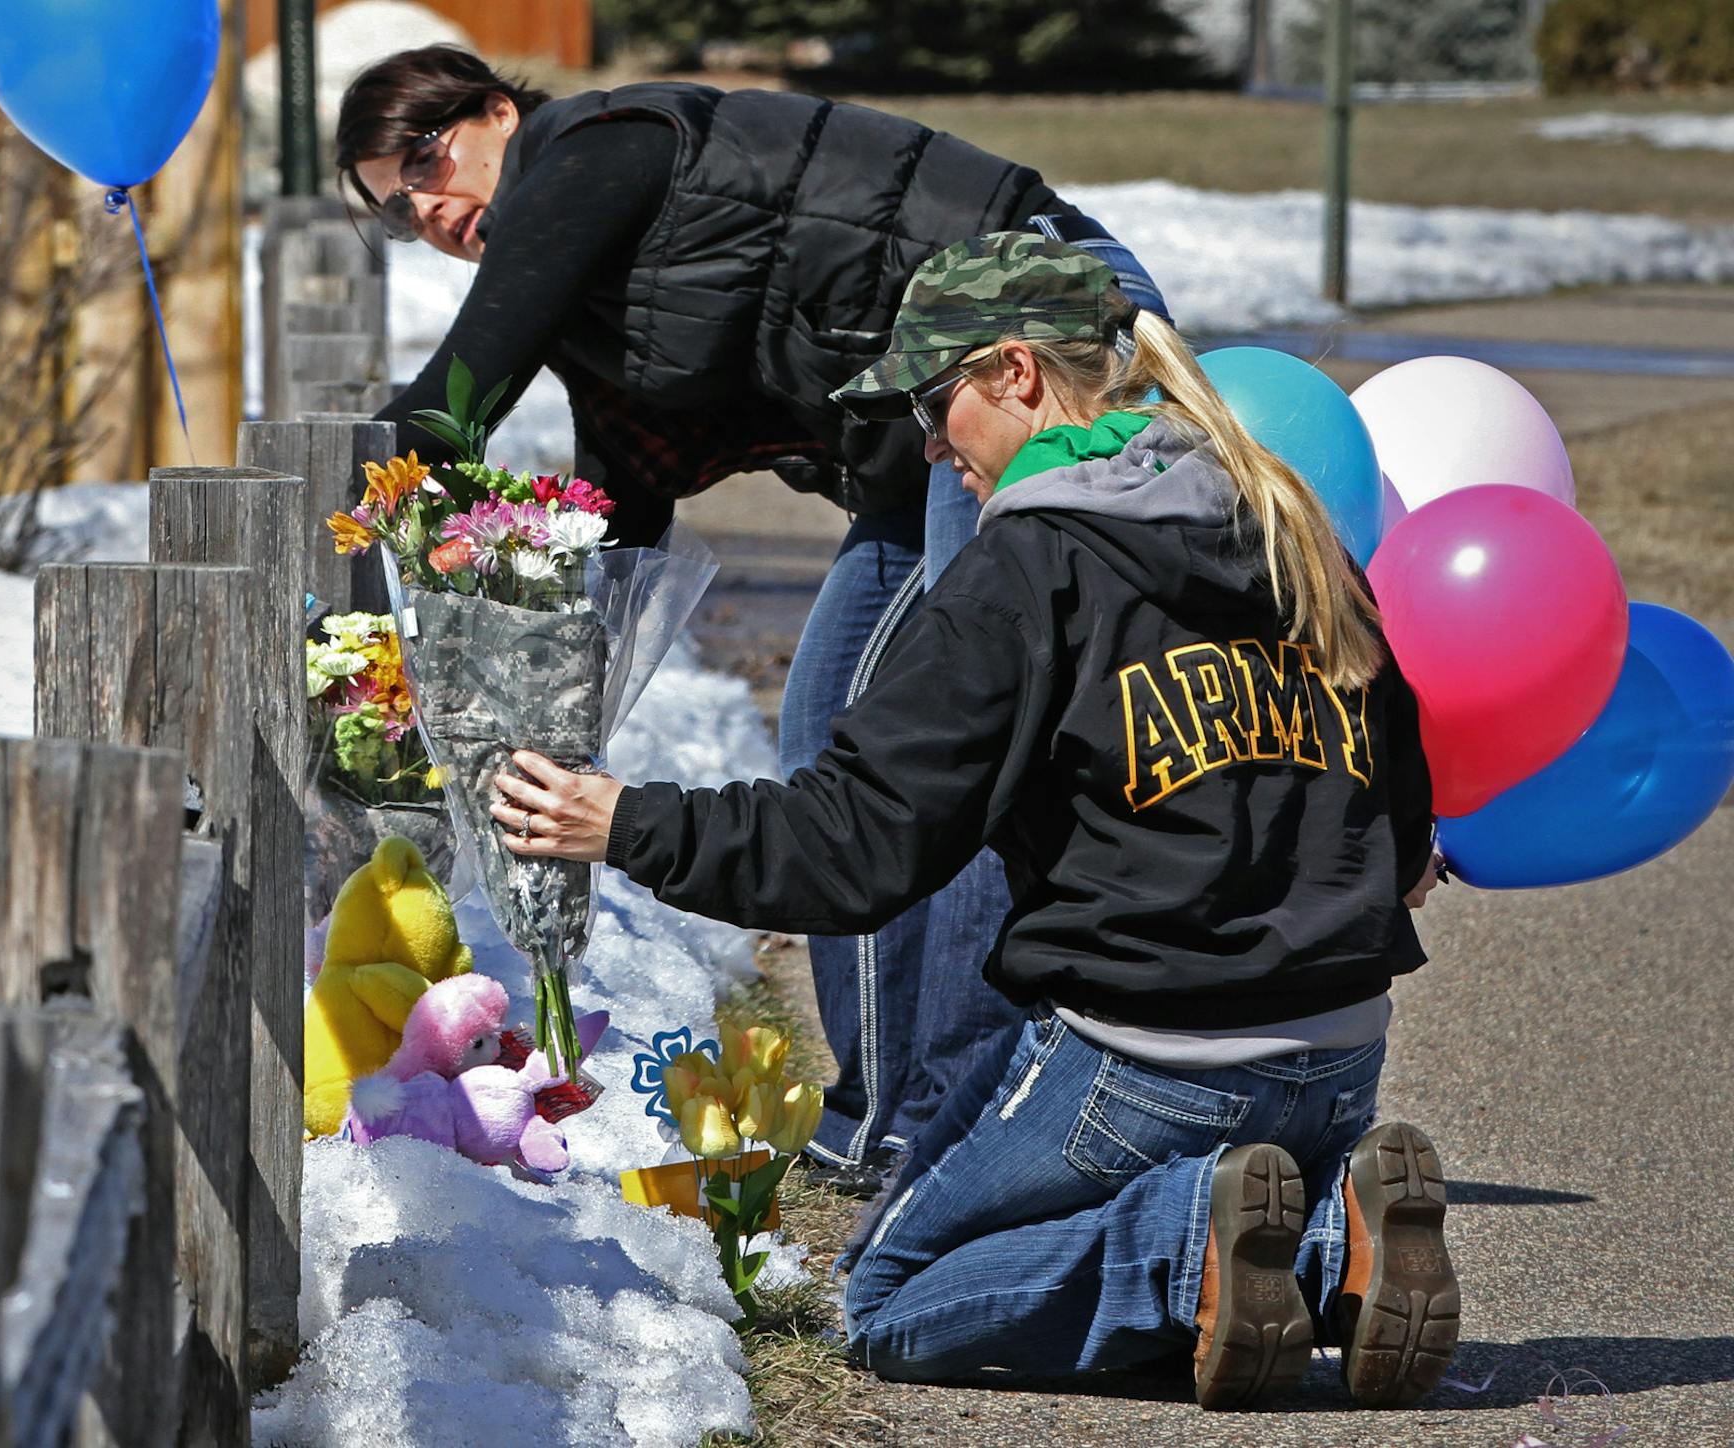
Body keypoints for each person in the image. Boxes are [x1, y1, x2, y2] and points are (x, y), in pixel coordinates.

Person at [484, 232, 1458, 1410]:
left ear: (1017, 374)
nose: (934, 450)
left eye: (938, 406)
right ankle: (1326, 1239)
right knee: (1048, 1164)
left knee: (893, 1295)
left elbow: (858, 845)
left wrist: (624, 821)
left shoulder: (1027, 569)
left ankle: (1209, 1241)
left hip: (1151, 1065)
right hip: (1343, 1049)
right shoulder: (1286, 516)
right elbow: (1404, 806)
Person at [336, 46, 1175, 1184]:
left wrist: (328, 493)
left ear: (498, 112)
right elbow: (619, 494)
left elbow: (458, 397)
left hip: (1029, 325)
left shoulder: (586, 152)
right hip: (922, 425)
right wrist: (532, 674)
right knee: (834, 727)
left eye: (428, 161)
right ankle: (891, 1099)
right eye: (395, 207)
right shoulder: (588, 284)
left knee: (980, 733)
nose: (428, 208)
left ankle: (964, 1108)